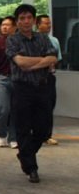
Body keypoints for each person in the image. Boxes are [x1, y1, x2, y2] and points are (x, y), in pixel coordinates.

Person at [7, 5, 58, 183]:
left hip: (42, 88)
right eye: (22, 18)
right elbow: (20, 62)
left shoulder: (43, 38)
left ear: (34, 20)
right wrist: (43, 61)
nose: (26, 21)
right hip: (22, 89)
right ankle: (31, 168)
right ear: (17, 21)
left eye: (29, 18)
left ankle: (25, 154)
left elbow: (53, 58)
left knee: (43, 129)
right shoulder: (13, 40)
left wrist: (32, 64)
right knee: (23, 128)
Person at [0, 17, 17, 148]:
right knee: (3, 108)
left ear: (14, 27)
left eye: (8, 25)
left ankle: (13, 137)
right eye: (2, 25)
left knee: (15, 110)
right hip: (3, 79)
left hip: (18, 79)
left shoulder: (19, 43)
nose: (4, 27)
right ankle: (1, 134)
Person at [36, 14, 61, 146]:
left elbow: (58, 58)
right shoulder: (33, 40)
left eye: (49, 23)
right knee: (36, 105)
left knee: (49, 105)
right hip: (35, 77)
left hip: (50, 76)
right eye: (46, 23)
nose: (49, 25)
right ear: (38, 25)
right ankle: (35, 133)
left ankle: (47, 135)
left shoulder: (54, 40)